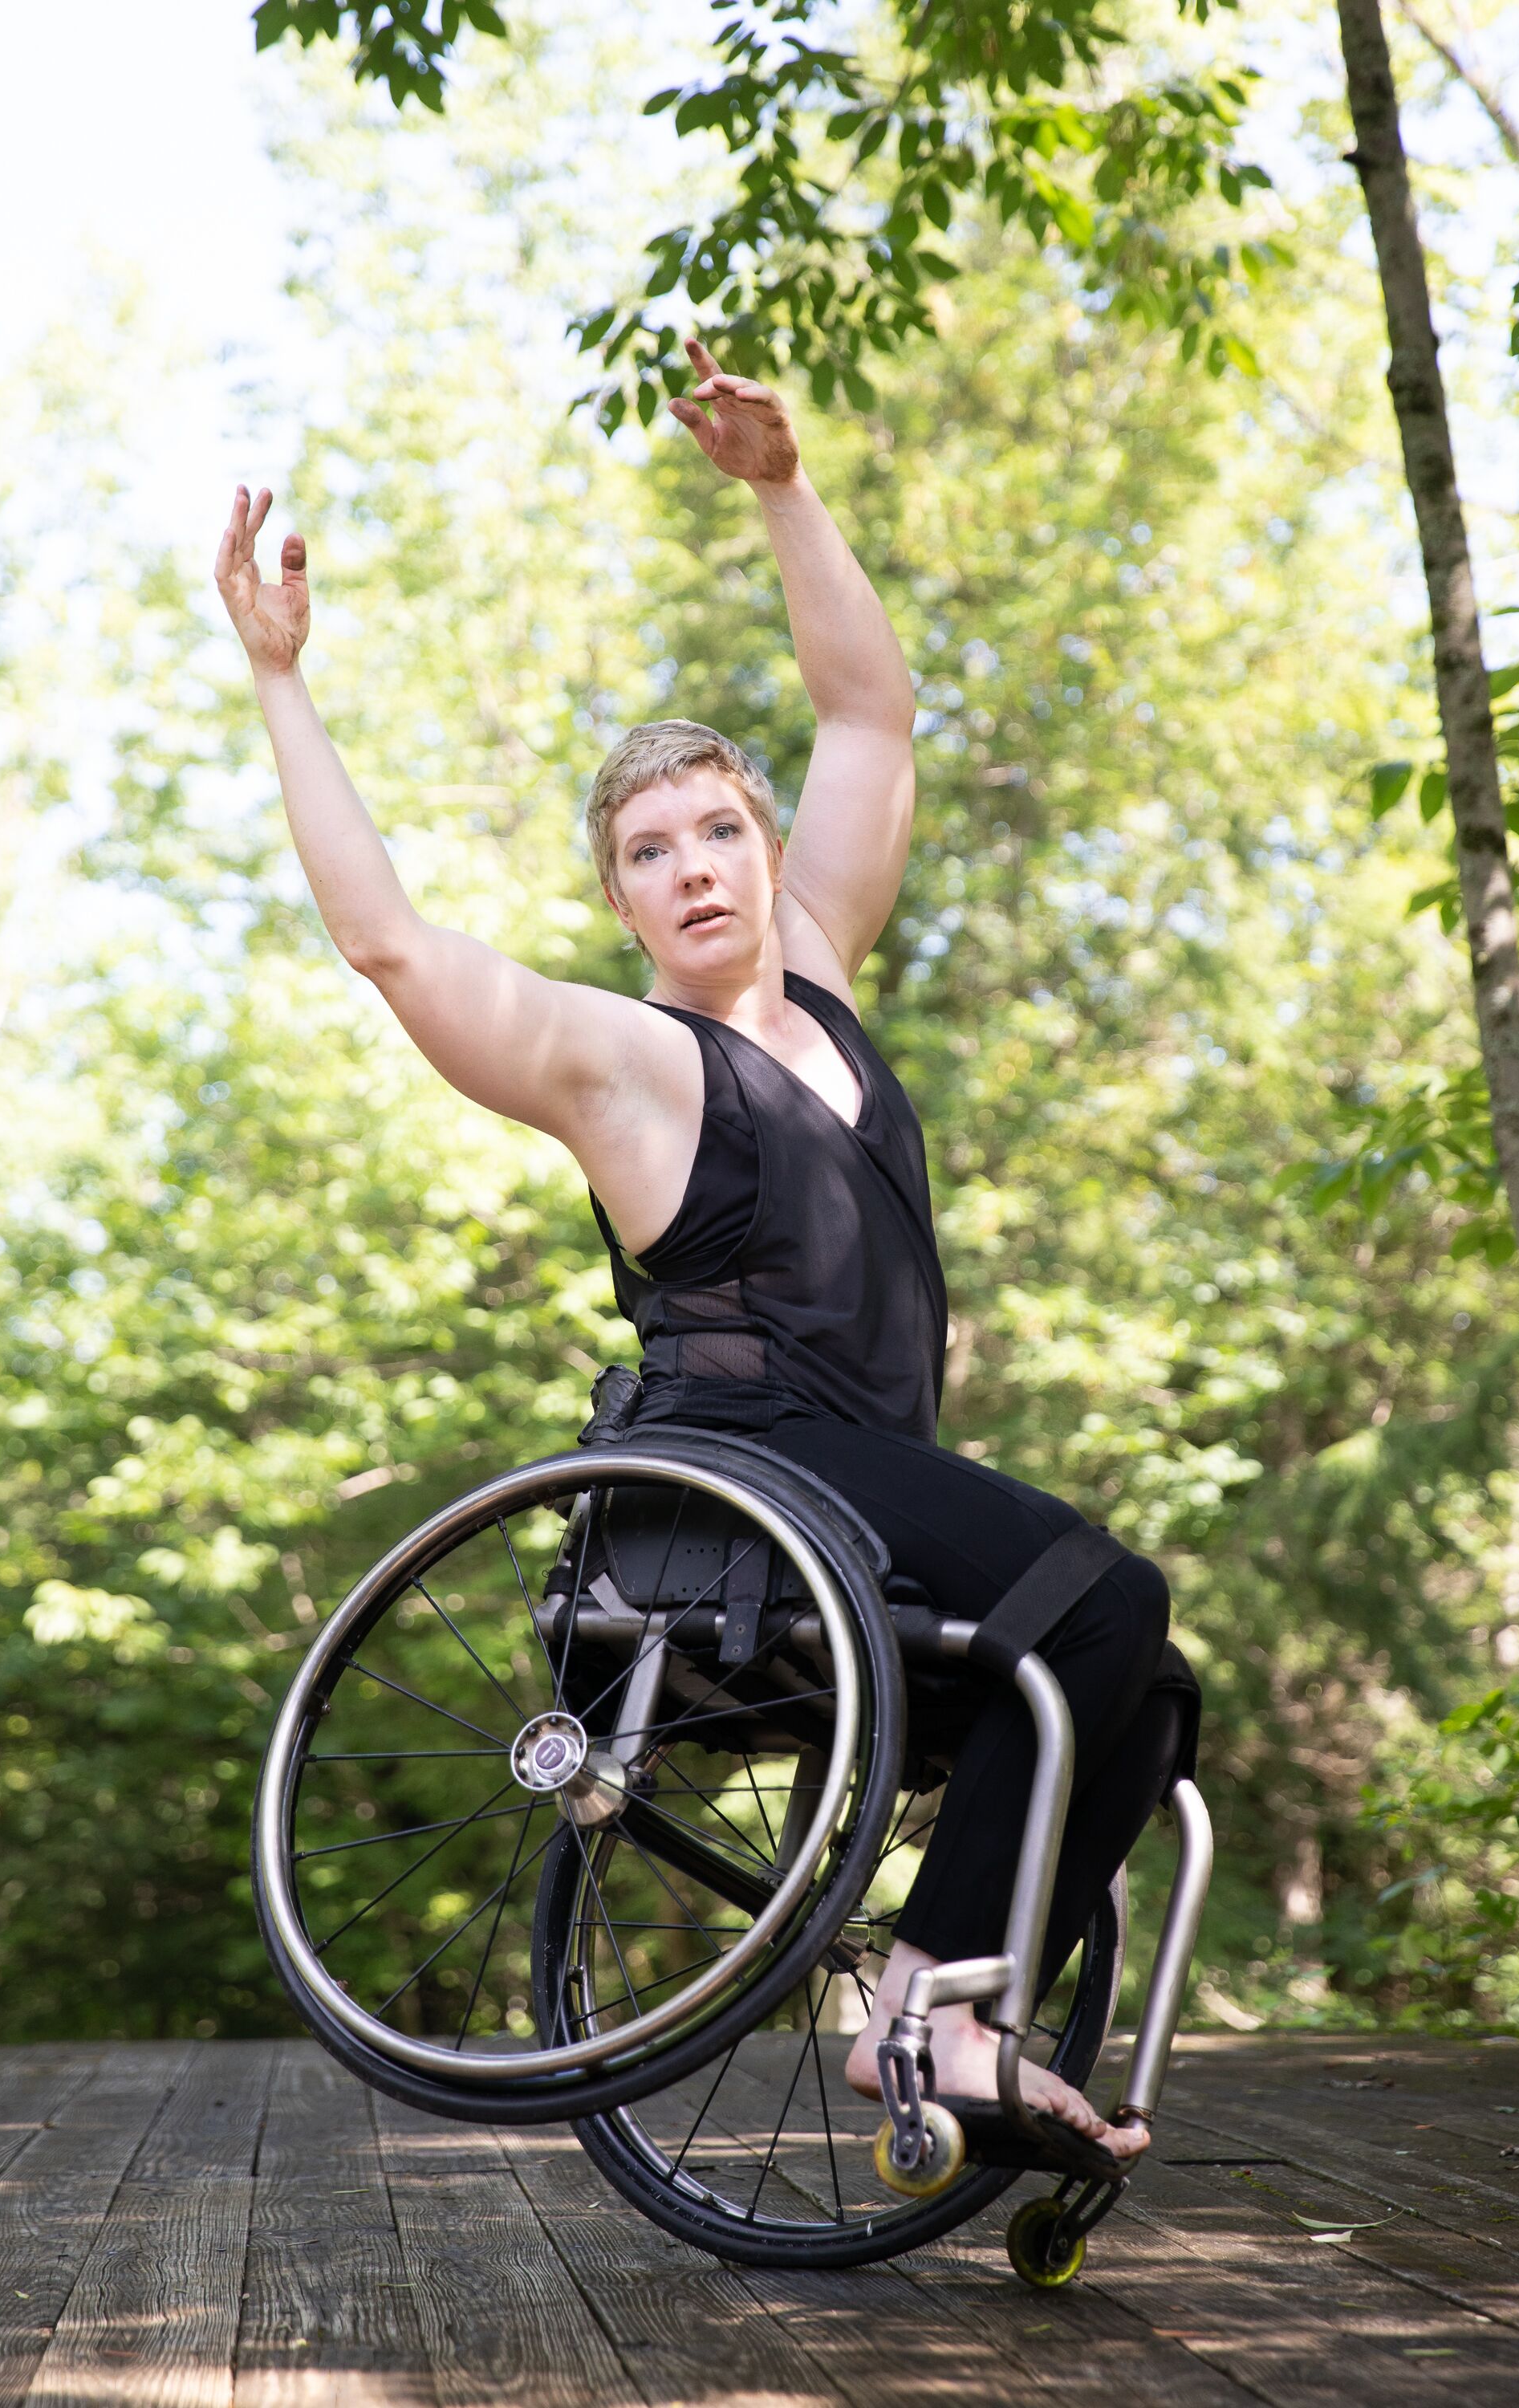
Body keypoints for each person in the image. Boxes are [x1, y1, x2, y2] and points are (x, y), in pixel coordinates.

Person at [215, 334, 1196, 2162]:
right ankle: (924, 2022)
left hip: (869, 1494)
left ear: (761, 848)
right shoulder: (632, 1067)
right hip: (729, 1495)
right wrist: (280, 684)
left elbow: (870, 717)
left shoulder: (817, 974)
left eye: (718, 828)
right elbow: (398, 952)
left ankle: (942, 2010)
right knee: (1105, 1591)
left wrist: (780, 489)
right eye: (649, 850)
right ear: (622, 902)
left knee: (1136, 1691)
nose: (694, 865)